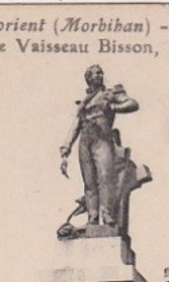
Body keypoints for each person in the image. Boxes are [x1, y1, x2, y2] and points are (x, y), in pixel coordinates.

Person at [60, 65, 139, 228]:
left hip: (102, 139)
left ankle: (107, 215)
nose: (99, 75)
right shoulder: (84, 102)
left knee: (105, 178)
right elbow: (76, 125)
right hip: (85, 140)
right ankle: (92, 218)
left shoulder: (110, 94)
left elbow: (132, 104)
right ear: (88, 78)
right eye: (95, 73)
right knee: (89, 182)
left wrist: (113, 107)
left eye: (101, 73)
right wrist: (66, 148)